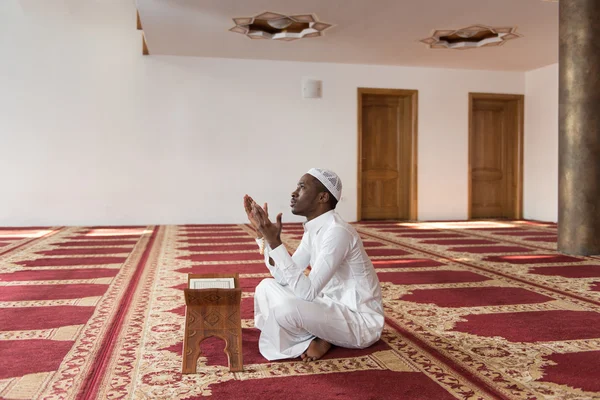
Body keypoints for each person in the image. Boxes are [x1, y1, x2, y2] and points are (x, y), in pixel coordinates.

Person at [243, 168, 384, 362]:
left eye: (301, 187)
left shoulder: (337, 232)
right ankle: (322, 335)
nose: (294, 193)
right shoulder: (314, 230)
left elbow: (307, 293)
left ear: (323, 197)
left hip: (359, 322)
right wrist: (263, 236)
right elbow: (282, 278)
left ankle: (320, 337)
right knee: (265, 287)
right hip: (330, 306)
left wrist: (276, 242)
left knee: (287, 309)